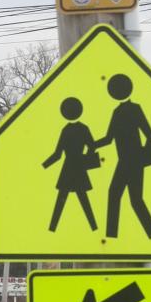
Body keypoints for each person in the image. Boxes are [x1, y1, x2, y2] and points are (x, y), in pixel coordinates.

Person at [95, 73, 151, 240]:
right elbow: (109, 139)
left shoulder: (133, 109)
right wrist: (91, 145)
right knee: (122, 196)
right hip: (125, 161)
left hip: (133, 161)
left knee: (130, 198)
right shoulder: (117, 111)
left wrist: (142, 155)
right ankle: (113, 235)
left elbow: (149, 134)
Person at [42, 97, 101, 233]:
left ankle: (52, 228)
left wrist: (44, 165)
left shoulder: (66, 130)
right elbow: (92, 147)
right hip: (79, 168)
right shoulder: (84, 128)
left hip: (68, 169)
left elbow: (58, 154)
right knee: (83, 199)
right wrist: (84, 159)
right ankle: (94, 228)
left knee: (62, 200)